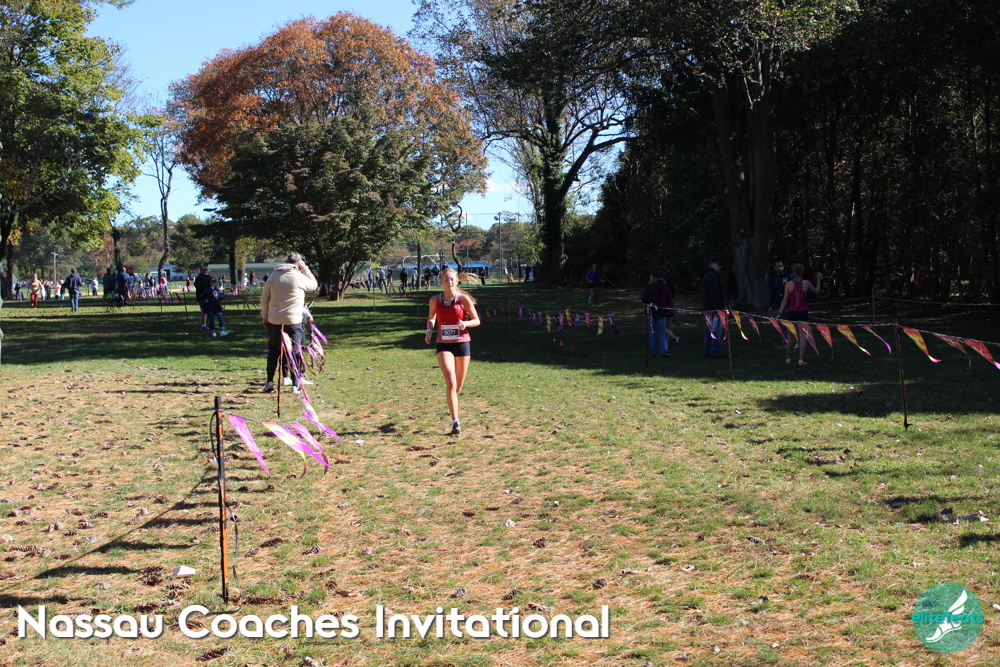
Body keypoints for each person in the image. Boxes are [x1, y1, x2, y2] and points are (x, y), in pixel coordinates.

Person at [424, 267, 481, 435]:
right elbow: (431, 318)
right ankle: (455, 422)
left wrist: (465, 324)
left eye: (452, 279)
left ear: (457, 281)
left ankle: (452, 400)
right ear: (441, 282)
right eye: (446, 279)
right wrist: (429, 331)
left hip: (462, 343)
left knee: (458, 386)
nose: (449, 282)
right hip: (444, 344)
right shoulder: (435, 300)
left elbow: (477, 320)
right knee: (451, 382)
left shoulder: (463, 299)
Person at [260, 252, 317, 393]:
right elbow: (313, 285)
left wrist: (265, 316)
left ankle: (269, 381)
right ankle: (295, 383)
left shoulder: (273, 276)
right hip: (293, 321)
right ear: (298, 263)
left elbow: (264, 299)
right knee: (295, 351)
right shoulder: (298, 276)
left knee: (273, 351)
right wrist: (305, 268)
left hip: (274, 320)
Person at [778, 263, 822, 366]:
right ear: (802, 272)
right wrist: (819, 280)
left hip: (792, 312)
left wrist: (779, 313)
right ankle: (801, 360)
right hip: (803, 312)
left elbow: (784, 300)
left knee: (790, 337)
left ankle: (788, 359)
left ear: (793, 272)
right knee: (802, 337)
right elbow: (817, 291)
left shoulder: (789, 284)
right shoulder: (806, 283)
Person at [641, 269, 678, 357]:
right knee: (662, 333)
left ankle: (653, 352)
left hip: (651, 311)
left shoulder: (649, 286)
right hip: (662, 312)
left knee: (652, 332)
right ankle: (664, 351)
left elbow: (643, 299)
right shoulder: (664, 286)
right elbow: (669, 299)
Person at [701, 258, 726, 358]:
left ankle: (707, 351)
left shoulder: (708, 275)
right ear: (713, 264)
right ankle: (716, 351)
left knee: (709, 330)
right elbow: (714, 294)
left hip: (708, 308)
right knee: (715, 331)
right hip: (714, 310)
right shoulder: (712, 277)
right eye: (719, 264)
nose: (721, 267)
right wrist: (717, 309)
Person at [768, 260, 795, 348]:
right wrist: (770, 305)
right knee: (782, 325)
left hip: (791, 304)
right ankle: (785, 343)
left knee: (793, 325)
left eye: (780, 266)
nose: (779, 268)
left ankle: (796, 343)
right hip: (780, 305)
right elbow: (772, 293)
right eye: (777, 267)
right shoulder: (773, 279)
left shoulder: (790, 276)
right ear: (774, 268)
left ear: (783, 266)